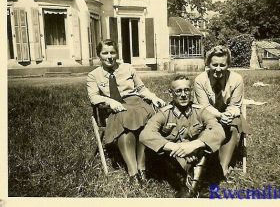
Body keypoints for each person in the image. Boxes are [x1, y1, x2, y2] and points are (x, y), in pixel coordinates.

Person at [87, 39, 165, 185]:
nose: (109, 56)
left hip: (135, 103)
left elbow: (141, 89)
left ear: (117, 53)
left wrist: (154, 98)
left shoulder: (127, 68)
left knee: (146, 118)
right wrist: (111, 102)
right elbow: (93, 97)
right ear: (99, 55)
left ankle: (141, 169)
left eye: (113, 52)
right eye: (105, 53)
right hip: (113, 107)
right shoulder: (93, 75)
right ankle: (133, 171)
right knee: (125, 116)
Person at [139, 75, 225, 197]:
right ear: (170, 93)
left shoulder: (200, 111)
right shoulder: (164, 113)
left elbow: (218, 130)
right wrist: (175, 147)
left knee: (208, 143)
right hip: (174, 160)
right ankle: (192, 186)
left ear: (192, 92)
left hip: (197, 157)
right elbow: (146, 134)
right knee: (161, 150)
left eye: (187, 90)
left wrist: (193, 145)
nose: (183, 95)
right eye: (178, 91)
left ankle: (190, 189)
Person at [193, 45, 249, 178]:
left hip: (227, 114)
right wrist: (219, 116)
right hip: (205, 114)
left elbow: (235, 104)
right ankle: (206, 160)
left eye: (222, 65)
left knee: (234, 121)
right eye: (214, 64)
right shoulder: (200, 80)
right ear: (208, 64)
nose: (218, 69)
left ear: (228, 64)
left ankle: (223, 167)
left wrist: (228, 115)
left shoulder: (236, 79)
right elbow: (204, 106)